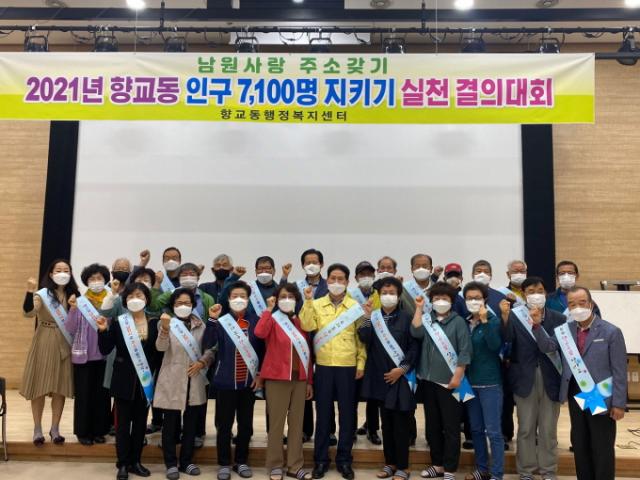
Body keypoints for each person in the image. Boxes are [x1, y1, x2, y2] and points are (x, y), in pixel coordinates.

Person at [534, 286, 627, 480]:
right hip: (575, 393)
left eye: (582, 302)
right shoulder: (565, 330)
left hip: (600, 394)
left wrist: (619, 403)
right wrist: (536, 326)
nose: (577, 307)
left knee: (601, 445)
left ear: (591, 304)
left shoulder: (611, 331)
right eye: (572, 304)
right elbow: (547, 347)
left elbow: (619, 370)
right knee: (580, 443)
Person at [300, 263, 366, 480]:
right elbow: (307, 326)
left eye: (341, 279)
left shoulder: (355, 306)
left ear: (347, 282)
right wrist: (307, 300)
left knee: (347, 416)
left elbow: (360, 340)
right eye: (333, 279)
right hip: (324, 367)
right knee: (323, 416)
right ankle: (320, 460)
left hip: (348, 367)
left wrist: (360, 364)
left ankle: (344, 460)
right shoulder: (316, 303)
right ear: (327, 280)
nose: (336, 282)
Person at [499, 276, 566, 480]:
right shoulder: (515, 315)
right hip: (524, 377)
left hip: (551, 377)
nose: (536, 295)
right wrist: (504, 317)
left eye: (539, 291)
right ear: (524, 295)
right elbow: (507, 339)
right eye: (531, 292)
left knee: (548, 429)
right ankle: (526, 471)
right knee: (526, 428)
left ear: (545, 293)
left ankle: (548, 470)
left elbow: (558, 348)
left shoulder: (559, 318)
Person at [358, 276, 419, 480]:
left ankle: (403, 466)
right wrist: (367, 316)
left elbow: (414, 347)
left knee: (401, 425)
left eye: (392, 293)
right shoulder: (373, 317)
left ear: (399, 296)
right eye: (384, 293)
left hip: (401, 378)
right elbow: (364, 338)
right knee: (386, 424)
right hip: (381, 378)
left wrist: (401, 369)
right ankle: (390, 463)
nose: (388, 296)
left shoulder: (407, 317)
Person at [97, 282, 159, 480]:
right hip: (123, 379)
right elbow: (105, 349)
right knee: (122, 426)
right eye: (131, 296)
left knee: (140, 425)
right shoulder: (119, 323)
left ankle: (136, 462)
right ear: (125, 301)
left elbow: (158, 353)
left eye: (139, 295)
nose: (135, 299)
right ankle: (123, 463)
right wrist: (102, 331)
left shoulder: (155, 323)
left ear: (146, 299)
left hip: (145, 381)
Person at [410, 282, 471, 480]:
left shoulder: (458, 321)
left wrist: (458, 375)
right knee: (433, 426)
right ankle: (437, 465)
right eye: (436, 298)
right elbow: (415, 332)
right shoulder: (427, 319)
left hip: (450, 382)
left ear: (452, 301)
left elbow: (465, 350)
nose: (440, 301)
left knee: (451, 427)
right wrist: (419, 308)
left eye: (444, 298)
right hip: (428, 381)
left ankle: (450, 468)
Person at [204, 281, 264, 480]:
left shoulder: (256, 321)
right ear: (228, 299)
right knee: (224, 425)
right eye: (234, 296)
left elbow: (263, 350)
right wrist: (212, 320)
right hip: (225, 382)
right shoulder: (221, 321)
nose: (239, 299)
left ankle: (241, 461)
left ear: (248, 299)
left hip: (248, 383)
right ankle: (223, 463)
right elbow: (207, 343)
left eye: (242, 296)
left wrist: (260, 374)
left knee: (245, 425)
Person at [255, 284, 314, 480]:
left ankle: (295, 466)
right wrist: (268, 309)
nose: (287, 299)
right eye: (282, 296)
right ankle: (275, 465)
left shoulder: (300, 322)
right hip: (277, 378)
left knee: (297, 424)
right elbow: (259, 333)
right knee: (277, 424)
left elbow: (308, 353)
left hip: (300, 379)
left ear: (296, 300)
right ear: (276, 299)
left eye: (291, 296)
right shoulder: (272, 319)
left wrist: (309, 381)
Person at [154, 288, 214, 480]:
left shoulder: (201, 325)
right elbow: (160, 347)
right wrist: (164, 329)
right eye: (179, 303)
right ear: (173, 306)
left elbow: (210, 349)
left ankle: (186, 461)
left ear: (193, 305)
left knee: (191, 424)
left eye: (187, 303)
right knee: (170, 423)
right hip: (172, 378)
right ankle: (171, 463)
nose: (183, 306)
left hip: (194, 378)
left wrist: (202, 362)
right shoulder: (166, 323)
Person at [21, 259, 79, 446]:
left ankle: (55, 429)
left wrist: (74, 308)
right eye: (58, 270)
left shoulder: (75, 295)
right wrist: (30, 292)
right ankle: (37, 429)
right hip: (44, 339)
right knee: (39, 386)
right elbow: (29, 313)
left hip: (65, 342)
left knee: (60, 388)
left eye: (66, 270)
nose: (62, 273)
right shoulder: (43, 294)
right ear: (51, 274)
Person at [281, 248, 329, 444]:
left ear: (321, 264)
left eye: (315, 262)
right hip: (301, 340)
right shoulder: (296, 286)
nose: (311, 265)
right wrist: (284, 278)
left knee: (325, 389)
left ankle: (328, 431)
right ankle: (304, 429)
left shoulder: (330, 286)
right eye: (308, 262)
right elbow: (283, 299)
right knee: (302, 386)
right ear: (302, 265)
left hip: (326, 340)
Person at [65, 263, 112, 446]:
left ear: (105, 280)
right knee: (84, 396)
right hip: (83, 356)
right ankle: (83, 432)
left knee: (101, 396)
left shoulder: (110, 301)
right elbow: (70, 328)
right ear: (86, 281)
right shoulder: (80, 302)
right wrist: (73, 309)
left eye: (99, 278)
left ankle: (100, 431)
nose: (96, 281)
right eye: (92, 278)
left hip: (103, 356)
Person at [462, 282, 504, 480]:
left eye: (477, 298)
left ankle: (496, 473)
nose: (473, 301)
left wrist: (485, 321)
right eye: (469, 298)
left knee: (493, 432)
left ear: (485, 299)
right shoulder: (464, 322)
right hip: (469, 383)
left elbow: (495, 346)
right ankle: (481, 469)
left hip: (490, 383)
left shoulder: (494, 320)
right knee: (476, 429)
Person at [350, 261, 382, 446]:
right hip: (354, 350)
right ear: (356, 278)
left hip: (375, 350)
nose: (366, 277)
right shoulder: (349, 295)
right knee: (352, 394)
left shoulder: (380, 295)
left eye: (369, 274)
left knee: (373, 394)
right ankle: (351, 429)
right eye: (362, 274)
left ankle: (372, 429)